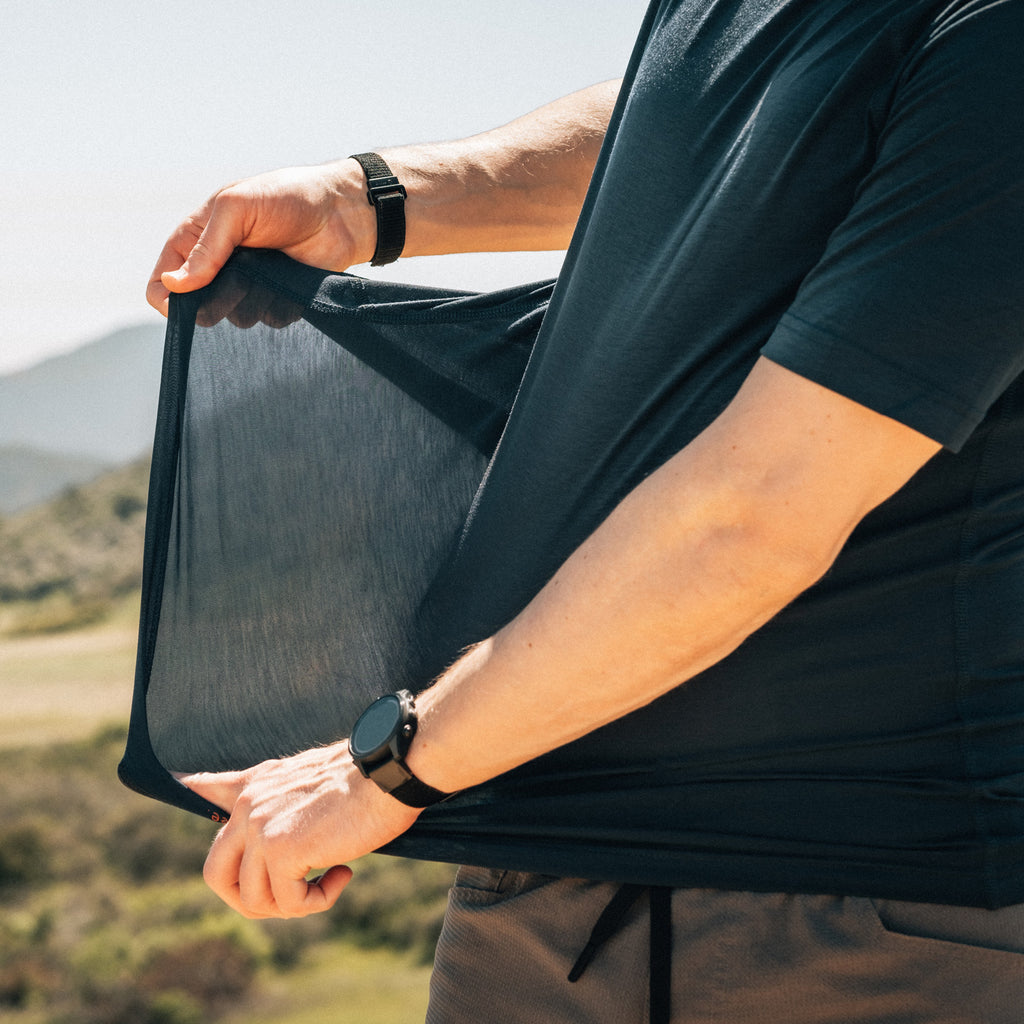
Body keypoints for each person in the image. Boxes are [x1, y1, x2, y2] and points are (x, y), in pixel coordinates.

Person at [147, 1, 1024, 1020]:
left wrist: (382, 771)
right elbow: (709, 117)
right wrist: (372, 201)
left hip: (860, 911)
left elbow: (760, 512)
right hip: (534, 861)